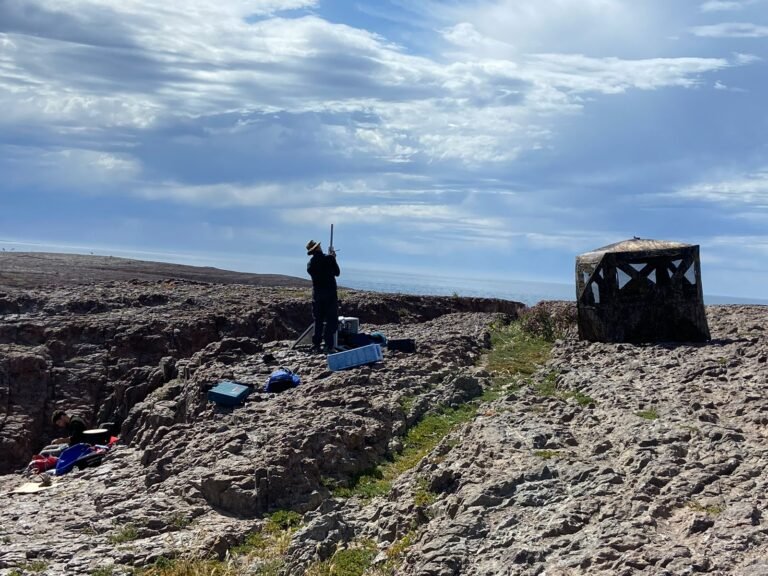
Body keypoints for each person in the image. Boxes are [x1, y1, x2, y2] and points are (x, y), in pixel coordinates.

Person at [306, 239, 341, 353]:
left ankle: (316, 344)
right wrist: (333, 258)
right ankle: (328, 345)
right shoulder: (329, 258)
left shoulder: (310, 264)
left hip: (317, 294)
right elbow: (337, 273)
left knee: (318, 320)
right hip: (330, 294)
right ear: (318, 248)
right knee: (331, 320)